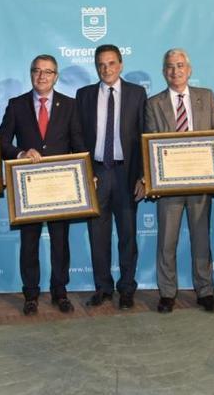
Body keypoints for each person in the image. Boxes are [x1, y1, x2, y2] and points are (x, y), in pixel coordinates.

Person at [0, 54, 85, 315]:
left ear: (56, 76)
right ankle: (31, 294)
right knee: (29, 241)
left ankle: (60, 292)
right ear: (31, 74)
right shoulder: (16, 105)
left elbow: (78, 143)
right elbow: (1, 142)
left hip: (61, 186)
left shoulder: (69, 105)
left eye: (48, 72)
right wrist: (20, 154)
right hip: (28, 187)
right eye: (37, 71)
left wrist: (86, 173)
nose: (42, 76)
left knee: (61, 241)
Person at [145, 48, 214, 314]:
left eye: (180, 66)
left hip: (202, 182)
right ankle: (167, 293)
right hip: (169, 186)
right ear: (163, 72)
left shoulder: (207, 97)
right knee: (166, 242)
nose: (175, 71)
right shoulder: (153, 103)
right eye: (169, 66)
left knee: (201, 240)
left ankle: (206, 291)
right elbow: (151, 144)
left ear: (189, 70)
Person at [75, 44, 146, 309]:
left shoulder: (138, 94)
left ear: (121, 64)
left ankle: (127, 288)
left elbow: (144, 137)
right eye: (101, 64)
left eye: (111, 63)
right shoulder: (84, 95)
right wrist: (85, 173)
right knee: (98, 236)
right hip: (97, 174)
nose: (106, 69)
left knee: (128, 235)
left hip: (127, 174)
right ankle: (102, 288)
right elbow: (78, 136)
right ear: (96, 67)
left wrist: (143, 176)